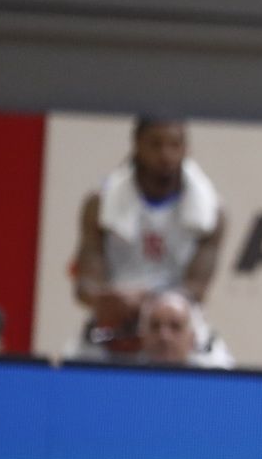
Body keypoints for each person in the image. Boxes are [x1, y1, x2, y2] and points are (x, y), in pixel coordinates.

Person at [71, 116, 225, 362]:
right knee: (74, 366)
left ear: (186, 149)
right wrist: (105, 300)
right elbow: (85, 285)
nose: (165, 155)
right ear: (137, 145)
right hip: (116, 324)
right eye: (155, 144)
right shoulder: (99, 204)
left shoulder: (212, 211)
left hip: (176, 322)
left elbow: (197, 289)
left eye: (174, 145)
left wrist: (148, 302)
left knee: (218, 367)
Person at [135, 291, 236, 369]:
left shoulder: (211, 380)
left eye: (175, 326)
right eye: (155, 326)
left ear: (192, 337)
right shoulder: (129, 377)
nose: (164, 336)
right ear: (142, 335)